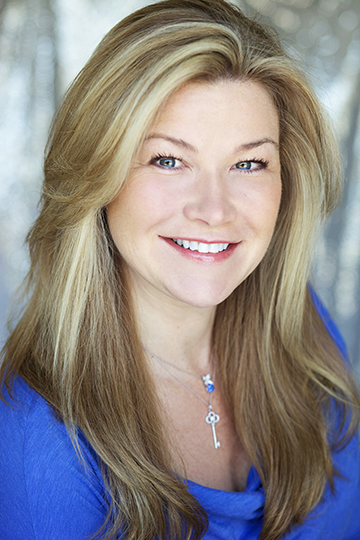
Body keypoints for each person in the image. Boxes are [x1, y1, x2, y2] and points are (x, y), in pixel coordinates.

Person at [0, 0, 359, 539]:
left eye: (249, 163)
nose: (214, 209)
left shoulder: (300, 322)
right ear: (100, 175)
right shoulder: (39, 449)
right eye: (169, 160)